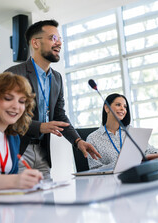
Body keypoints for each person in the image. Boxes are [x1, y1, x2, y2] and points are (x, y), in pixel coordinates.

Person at [5, 20, 100, 176]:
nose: (59, 43)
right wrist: (39, 127)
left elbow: (59, 115)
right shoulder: (14, 74)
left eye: (60, 39)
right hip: (18, 150)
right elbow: (6, 117)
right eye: (53, 38)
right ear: (35, 43)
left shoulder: (56, 78)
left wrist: (78, 141)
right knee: (24, 199)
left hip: (43, 151)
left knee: (47, 198)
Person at [86, 93, 158, 169]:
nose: (122, 109)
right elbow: (95, 168)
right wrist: (124, 163)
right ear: (107, 108)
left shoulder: (130, 131)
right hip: (109, 183)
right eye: (118, 105)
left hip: (136, 176)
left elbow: (148, 150)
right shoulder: (92, 138)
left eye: (125, 107)